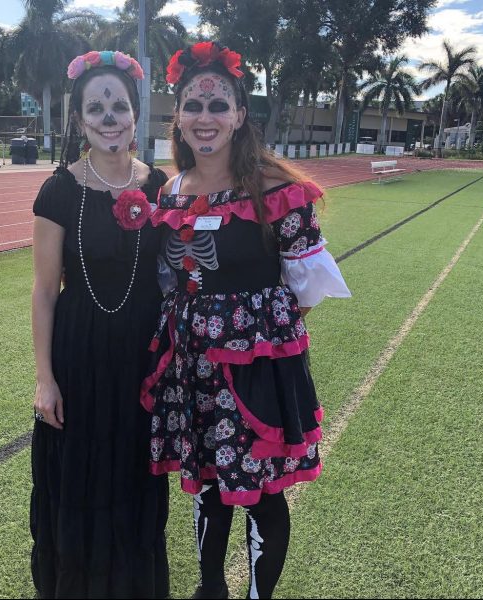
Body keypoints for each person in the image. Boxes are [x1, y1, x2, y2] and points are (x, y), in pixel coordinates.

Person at [141, 42, 351, 599]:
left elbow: (306, 286)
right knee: (207, 485)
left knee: (261, 490)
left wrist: (250, 324)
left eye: (218, 106)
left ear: (238, 115)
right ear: (178, 118)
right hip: (190, 367)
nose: (205, 118)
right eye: (193, 106)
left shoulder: (276, 190)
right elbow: (169, 277)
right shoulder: (171, 192)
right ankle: (211, 589)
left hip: (252, 366)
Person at [30, 50, 169, 599]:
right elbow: (43, 292)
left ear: (135, 114)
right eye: (97, 107)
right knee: (82, 473)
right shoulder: (58, 191)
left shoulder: (162, 186)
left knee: (133, 470)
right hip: (79, 353)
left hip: (142, 356)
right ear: (80, 120)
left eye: (119, 106)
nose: (109, 117)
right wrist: (45, 378)